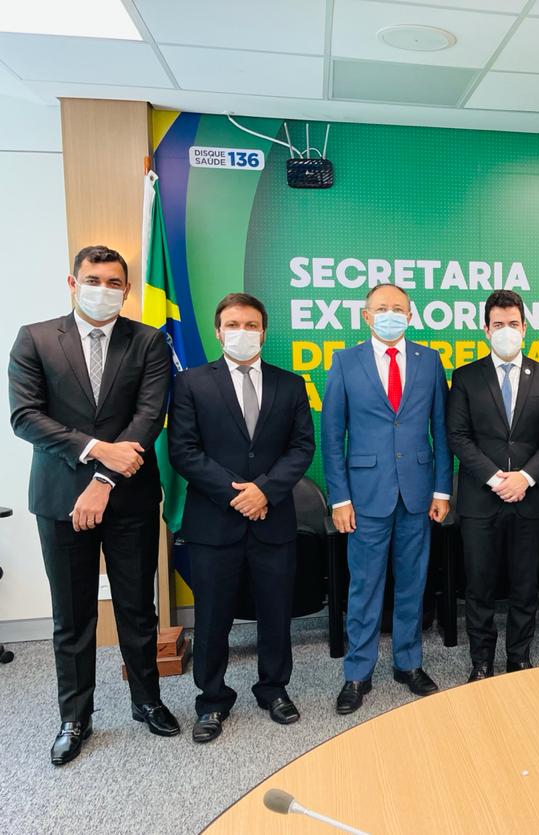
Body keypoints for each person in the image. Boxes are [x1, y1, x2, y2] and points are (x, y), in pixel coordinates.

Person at [8, 245, 180, 765]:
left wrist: (103, 480)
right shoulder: (35, 338)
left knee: (136, 607)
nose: (102, 290)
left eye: (113, 283)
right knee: (73, 614)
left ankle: (146, 701)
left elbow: (149, 417)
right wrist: (95, 450)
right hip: (60, 499)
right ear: (72, 282)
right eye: (93, 280)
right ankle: (75, 716)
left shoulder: (149, 341)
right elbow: (25, 417)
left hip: (129, 498)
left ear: (126, 290)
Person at [168, 293, 314, 743]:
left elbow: (302, 447)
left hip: (273, 519)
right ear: (218, 331)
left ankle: (274, 689)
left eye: (251, 325)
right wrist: (238, 495)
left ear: (263, 332)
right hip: (214, 523)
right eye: (233, 324)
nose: (242, 332)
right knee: (213, 616)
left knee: (276, 612)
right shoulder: (191, 383)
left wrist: (264, 490)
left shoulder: (290, 384)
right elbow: (183, 451)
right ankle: (212, 700)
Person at [323, 283, 452, 714]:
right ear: (366, 316)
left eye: (398, 308)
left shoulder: (429, 361)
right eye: (382, 308)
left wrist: (442, 489)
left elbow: (441, 429)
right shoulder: (345, 361)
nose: (390, 314)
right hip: (365, 497)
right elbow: (332, 436)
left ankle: (408, 663)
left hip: (418, 493)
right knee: (364, 586)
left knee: (413, 583)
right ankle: (358, 673)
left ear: (410, 316)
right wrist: (340, 498)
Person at [446, 290, 539, 681]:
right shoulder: (466, 376)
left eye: (513, 323)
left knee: (525, 584)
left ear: (524, 328)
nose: (506, 330)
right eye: (498, 324)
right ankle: (481, 661)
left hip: (529, 499)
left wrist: (525, 478)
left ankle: (519, 658)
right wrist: (496, 478)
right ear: (486, 329)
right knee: (479, 586)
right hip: (481, 499)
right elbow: (458, 435)